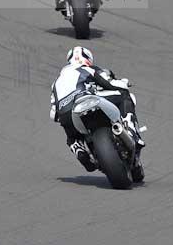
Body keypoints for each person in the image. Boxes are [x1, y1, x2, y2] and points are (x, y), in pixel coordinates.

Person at [50, 46, 145, 177]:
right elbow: (108, 84)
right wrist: (123, 84)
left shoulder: (56, 82)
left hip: (66, 113)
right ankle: (130, 128)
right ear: (88, 59)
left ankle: (77, 146)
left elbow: (53, 114)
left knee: (70, 134)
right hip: (85, 99)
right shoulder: (86, 69)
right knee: (124, 96)